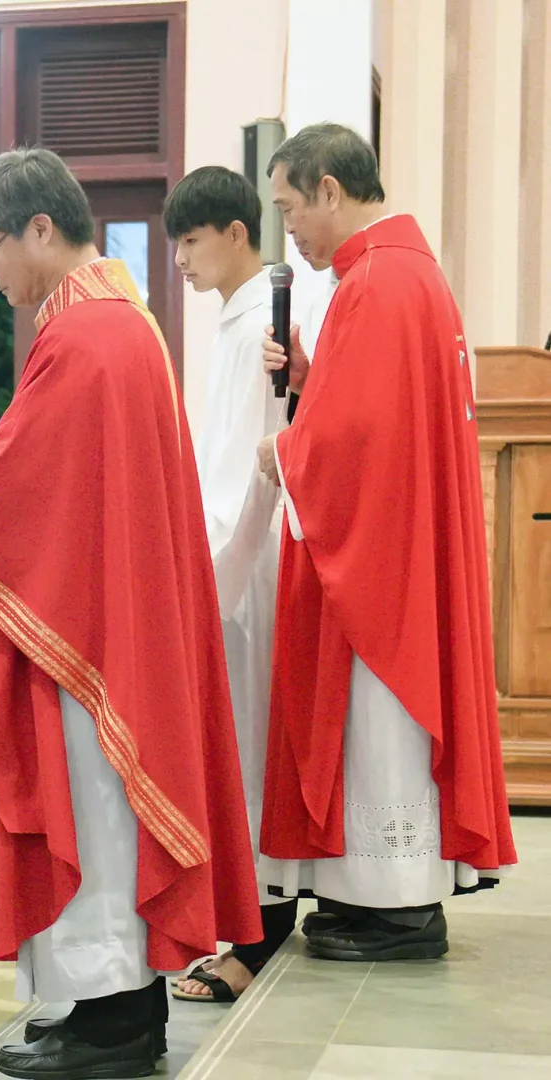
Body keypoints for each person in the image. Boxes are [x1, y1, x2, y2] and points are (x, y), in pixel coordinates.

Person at [0, 147, 262, 1079]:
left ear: (39, 228)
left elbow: (15, 481)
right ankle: (109, 1016)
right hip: (106, 610)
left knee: (101, 819)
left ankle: (115, 1028)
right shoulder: (116, 319)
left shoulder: (87, 335)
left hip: (95, 629)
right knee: (105, 821)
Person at [256, 123, 515, 960]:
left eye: (290, 208)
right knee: (381, 723)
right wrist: (310, 379)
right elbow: (376, 412)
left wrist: (283, 451)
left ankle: (398, 907)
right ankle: (380, 900)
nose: (290, 229)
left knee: (378, 721)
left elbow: (356, 436)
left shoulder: (376, 282)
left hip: (382, 560)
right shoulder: (406, 273)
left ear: (330, 189)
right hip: (403, 541)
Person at [162, 165, 297, 1002]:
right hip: (234, 554)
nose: (179, 259)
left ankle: (258, 933)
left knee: (247, 749)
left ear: (236, 233)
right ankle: (249, 925)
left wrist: (201, 577)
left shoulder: (258, 329)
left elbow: (249, 468)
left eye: (190, 240)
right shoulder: (238, 321)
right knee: (241, 748)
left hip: (245, 561)